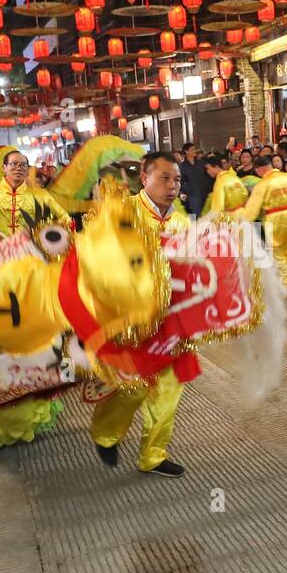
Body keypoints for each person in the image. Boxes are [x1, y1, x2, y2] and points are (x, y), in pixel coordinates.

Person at [90, 153, 191, 478]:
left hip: (173, 323)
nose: (172, 186)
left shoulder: (181, 221)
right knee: (131, 388)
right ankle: (106, 434)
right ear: (145, 178)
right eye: (164, 178)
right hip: (130, 322)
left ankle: (153, 455)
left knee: (169, 391)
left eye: (176, 179)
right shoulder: (122, 213)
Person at [238, 156, 287, 291]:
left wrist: (242, 221)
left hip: (275, 218)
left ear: (260, 170)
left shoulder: (262, 184)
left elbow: (252, 209)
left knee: (278, 252)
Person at [0, 151, 69, 246]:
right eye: (14, 164)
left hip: (27, 253)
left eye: (23, 165)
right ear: (4, 168)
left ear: (27, 170)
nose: (18, 168)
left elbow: (65, 219)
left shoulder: (40, 195)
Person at [177, 143, 212, 217]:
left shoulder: (201, 163)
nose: (194, 151)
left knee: (206, 215)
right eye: (192, 149)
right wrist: (188, 190)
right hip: (193, 196)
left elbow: (207, 176)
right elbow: (180, 182)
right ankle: (193, 228)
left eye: (194, 149)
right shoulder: (182, 166)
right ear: (186, 151)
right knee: (193, 216)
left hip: (204, 193)